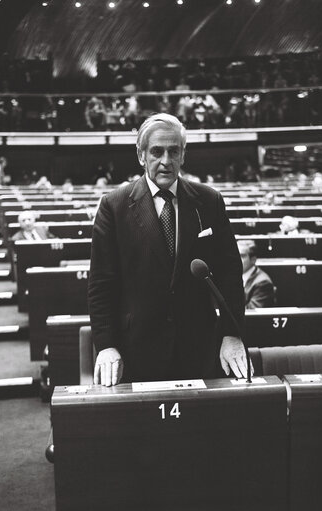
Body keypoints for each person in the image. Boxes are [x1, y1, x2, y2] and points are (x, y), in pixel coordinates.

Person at [88, 113, 251, 387]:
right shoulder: (113, 206)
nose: (166, 161)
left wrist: (232, 335)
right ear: (141, 156)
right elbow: (101, 284)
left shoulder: (209, 201)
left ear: (183, 154)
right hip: (136, 350)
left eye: (174, 151)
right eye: (156, 151)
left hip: (200, 348)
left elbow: (230, 275)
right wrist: (106, 345)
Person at [237, 240, 275, 309]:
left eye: (242, 256)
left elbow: (252, 313)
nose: (236, 259)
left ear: (253, 260)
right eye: (235, 255)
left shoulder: (263, 283)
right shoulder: (232, 276)